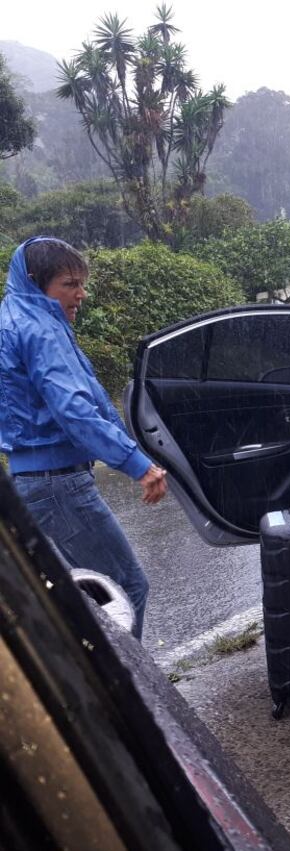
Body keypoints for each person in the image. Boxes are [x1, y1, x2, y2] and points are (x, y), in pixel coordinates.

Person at [0, 237, 167, 641]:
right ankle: (124, 680)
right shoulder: (40, 329)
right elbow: (74, 410)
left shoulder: (14, 318)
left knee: (79, 597)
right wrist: (137, 464)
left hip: (36, 481)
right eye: (70, 284)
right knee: (123, 589)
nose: (81, 294)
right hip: (58, 484)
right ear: (36, 282)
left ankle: (87, 674)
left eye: (81, 284)